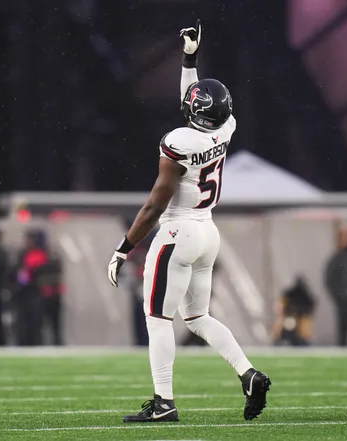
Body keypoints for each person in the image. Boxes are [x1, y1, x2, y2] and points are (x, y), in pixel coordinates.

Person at [107, 20, 270, 423]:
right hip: (207, 231)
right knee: (197, 317)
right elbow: (193, 106)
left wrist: (123, 248)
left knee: (158, 318)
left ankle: (164, 402)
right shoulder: (226, 128)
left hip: (178, 232)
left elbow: (153, 206)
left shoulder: (177, 142)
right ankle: (248, 374)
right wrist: (190, 60)